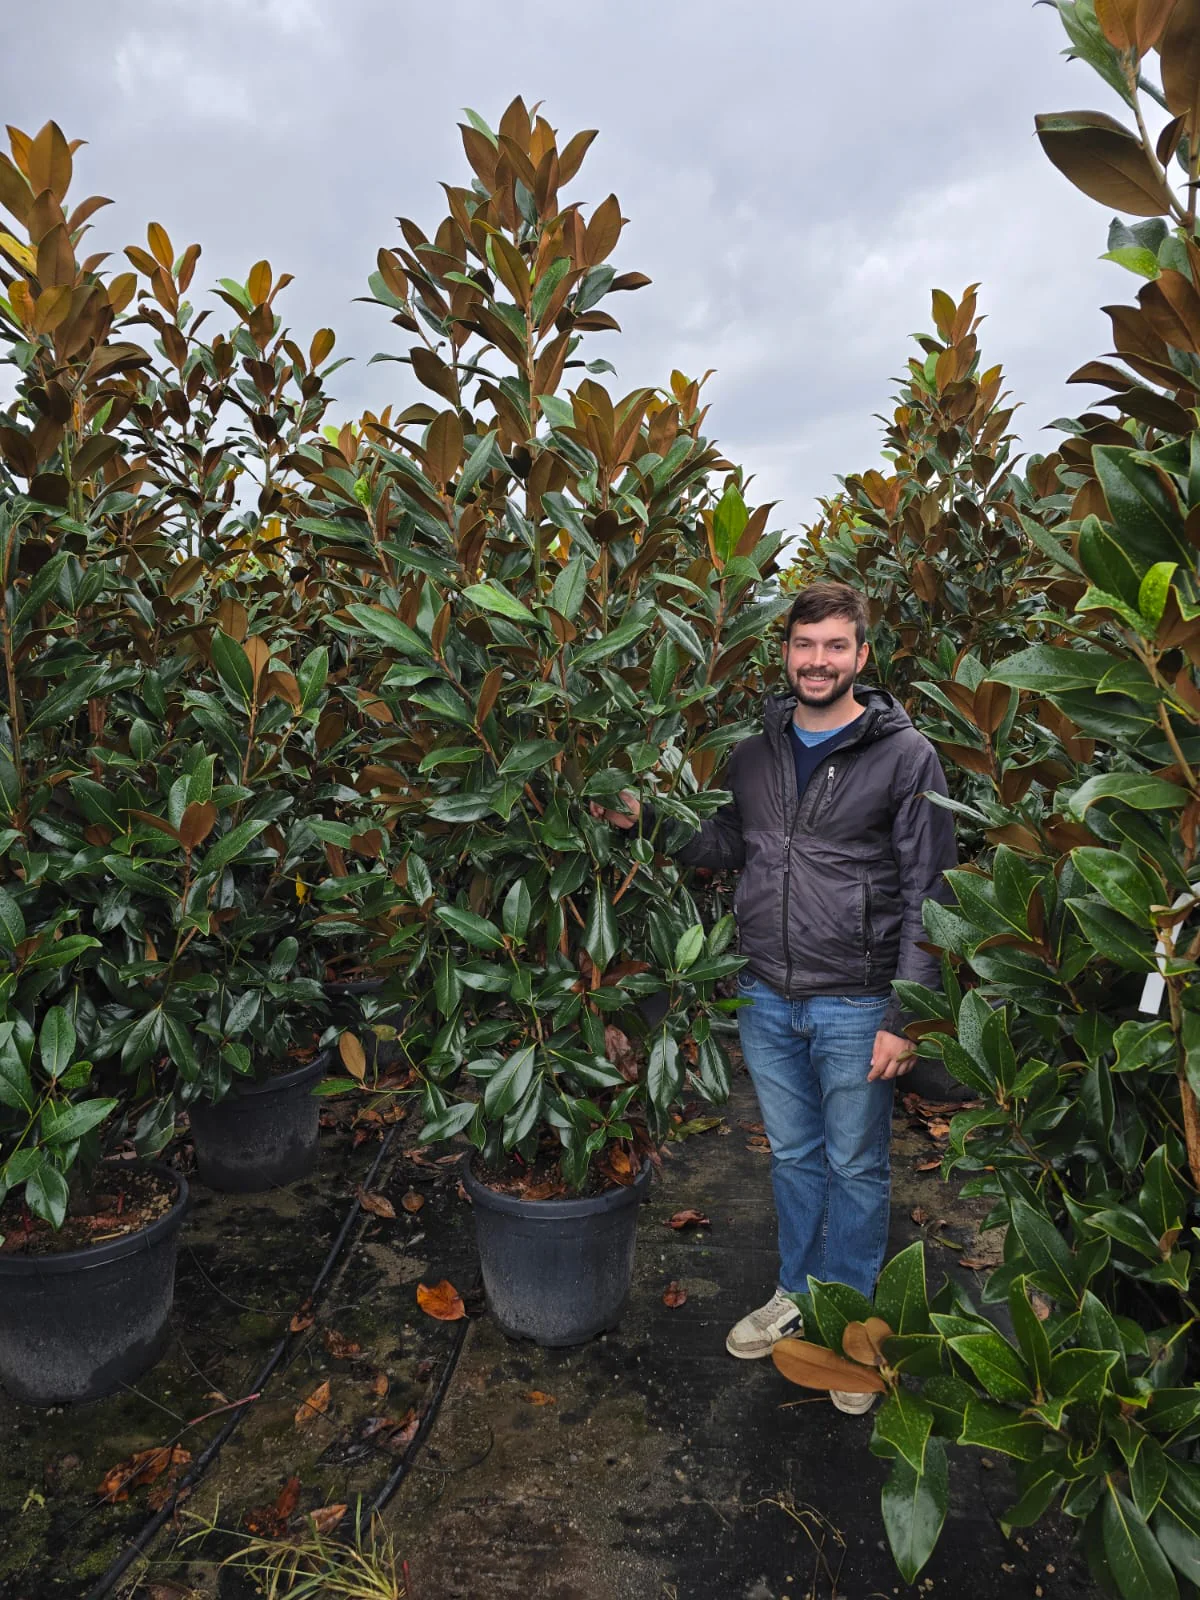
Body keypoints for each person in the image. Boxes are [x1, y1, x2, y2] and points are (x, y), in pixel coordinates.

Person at [592, 581, 955, 1413]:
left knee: (857, 1163)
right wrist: (647, 819)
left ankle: (854, 1324)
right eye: (804, 645)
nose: (818, 660)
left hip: (857, 999)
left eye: (836, 646)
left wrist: (906, 1017)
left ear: (863, 656)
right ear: (784, 652)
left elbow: (930, 891)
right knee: (793, 1156)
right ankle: (799, 1291)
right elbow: (730, 843)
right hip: (764, 994)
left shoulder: (906, 758)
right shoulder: (754, 749)